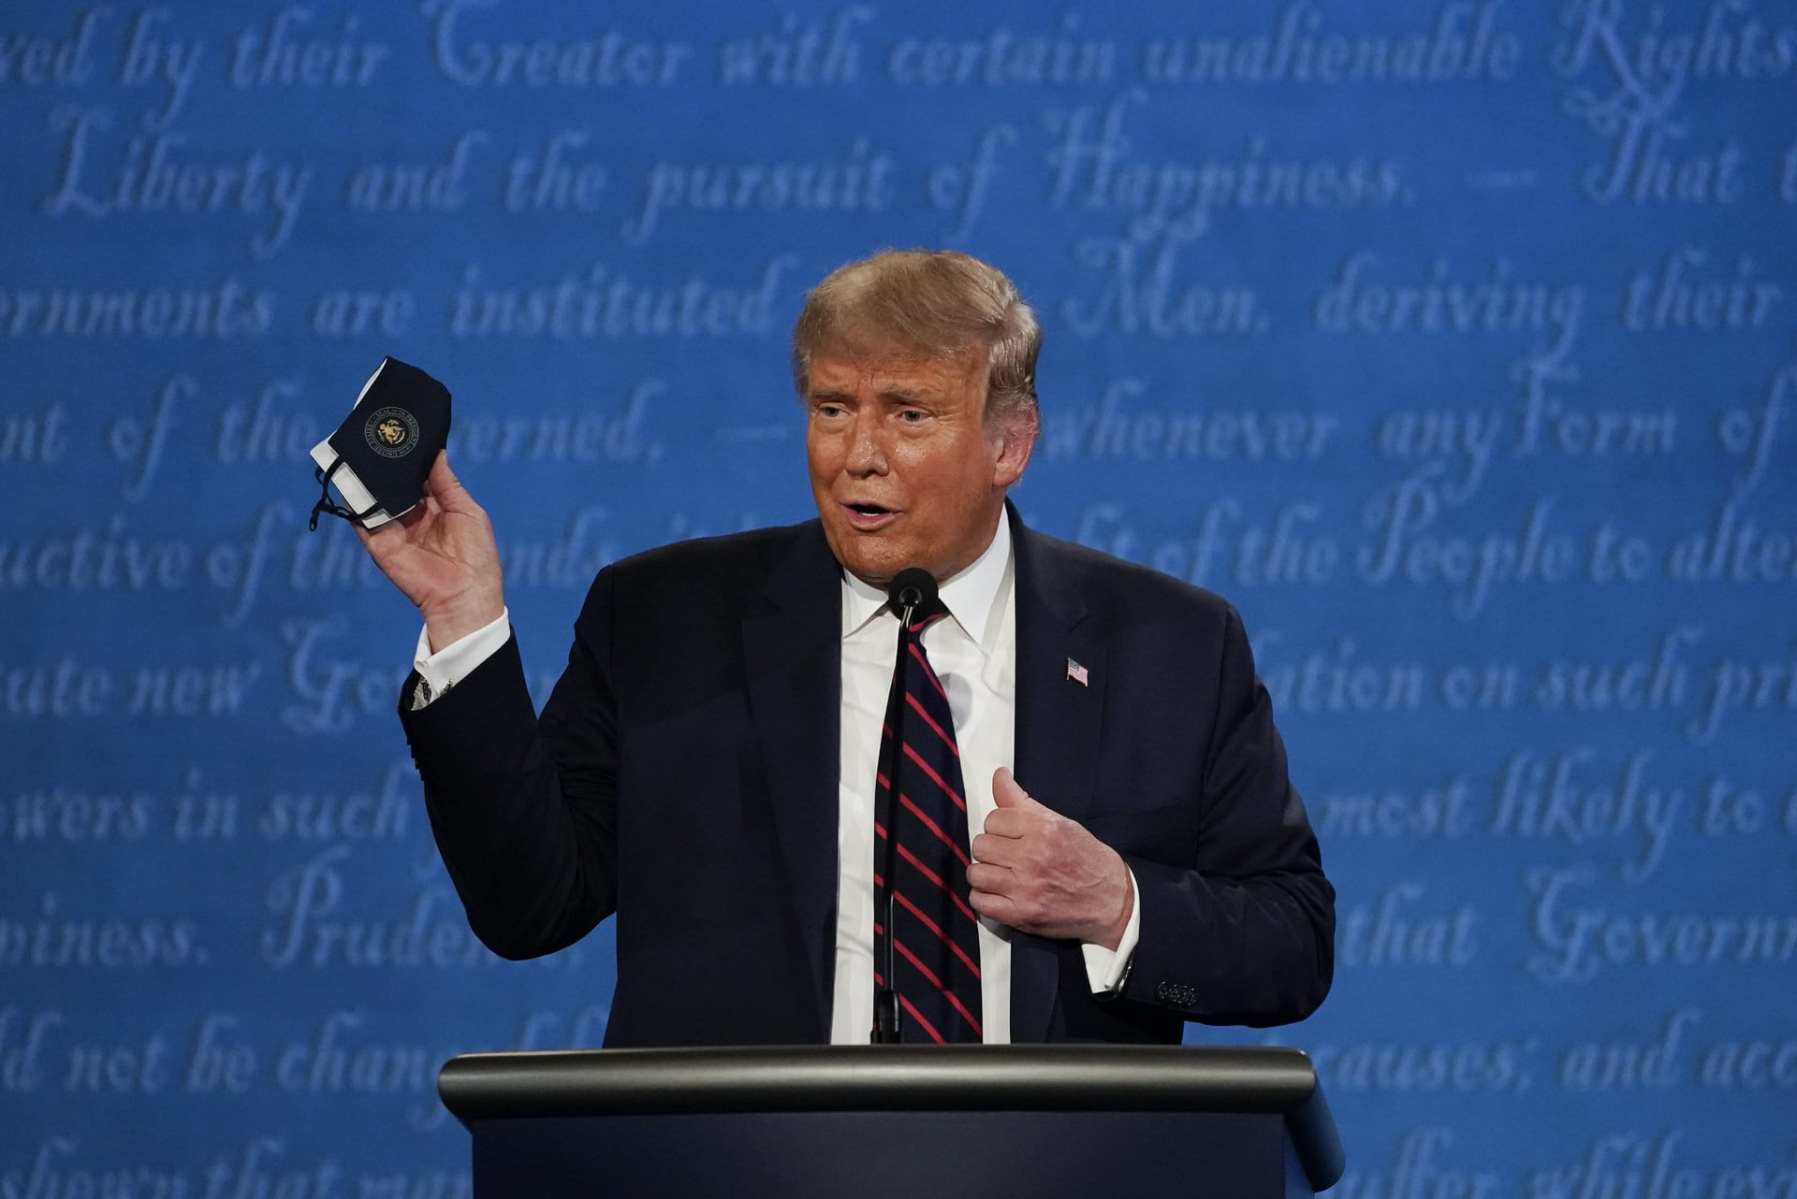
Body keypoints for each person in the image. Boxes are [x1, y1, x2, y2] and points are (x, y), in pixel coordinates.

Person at [362, 249, 1333, 1047]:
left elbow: (1293, 940)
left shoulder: (1169, 647)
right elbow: (531, 902)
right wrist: (464, 619)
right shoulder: (664, 620)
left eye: (908, 413)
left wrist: (1115, 900)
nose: (856, 453)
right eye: (833, 407)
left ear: (1009, 441)